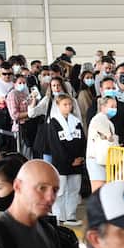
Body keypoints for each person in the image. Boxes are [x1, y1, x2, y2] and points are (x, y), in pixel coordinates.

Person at [39, 94, 86, 224]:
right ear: (58, 106)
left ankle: (70, 215)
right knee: (60, 190)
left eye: (70, 104)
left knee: (74, 190)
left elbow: (82, 141)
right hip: (62, 163)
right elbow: (56, 146)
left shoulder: (76, 122)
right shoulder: (53, 122)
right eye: (65, 105)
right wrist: (70, 160)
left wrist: (80, 157)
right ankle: (59, 216)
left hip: (77, 162)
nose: (68, 107)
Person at [85, 89, 119, 192]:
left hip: (103, 159)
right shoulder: (99, 119)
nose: (114, 109)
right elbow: (109, 136)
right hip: (96, 159)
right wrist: (113, 139)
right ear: (103, 107)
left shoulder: (107, 120)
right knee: (98, 191)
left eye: (115, 107)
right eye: (111, 106)